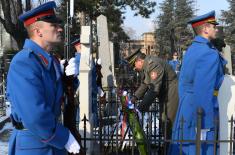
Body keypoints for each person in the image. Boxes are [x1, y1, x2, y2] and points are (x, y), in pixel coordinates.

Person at [6, 1, 81, 155]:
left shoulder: (49, 60)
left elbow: (56, 98)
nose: (60, 28)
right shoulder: (25, 62)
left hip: (52, 144)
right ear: (38, 31)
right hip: (34, 146)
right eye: (53, 25)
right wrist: (63, 137)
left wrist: (69, 81)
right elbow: (34, 115)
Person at [169, 11, 227, 154]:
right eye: (213, 26)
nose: (216, 29)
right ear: (206, 29)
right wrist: (204, 124)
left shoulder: (193, 49)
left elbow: (183, 84)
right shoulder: (208, 53)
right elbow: (204, 89)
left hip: (188, 107)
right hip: (201, 110)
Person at [126, 49, 179, 139]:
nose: (135, 69)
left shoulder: (153, 65)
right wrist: (134, 98)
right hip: (165, 92)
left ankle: (171, 148)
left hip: (171, 93)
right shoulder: (147, 66)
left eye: (134, 66)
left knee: (167, 122)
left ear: (139, 61)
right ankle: (168, 147)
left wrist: (140, 109)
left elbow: (154, 89)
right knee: (164, 123)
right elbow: (145, 84)